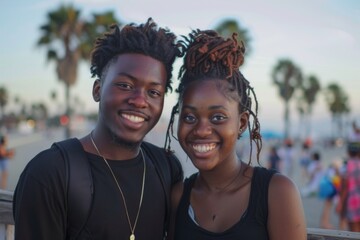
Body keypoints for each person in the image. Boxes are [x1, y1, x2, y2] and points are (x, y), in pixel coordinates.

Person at [13, 18, 183, 239]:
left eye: (154, 92)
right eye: (125, 85)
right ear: (97, 90)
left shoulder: (167, 168)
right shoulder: (50, 174)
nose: (140, 101)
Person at [165, 29, 306, 239]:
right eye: (190, 117)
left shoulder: (276, 192)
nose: (202, 130)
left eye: (218, 117)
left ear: (241, 123)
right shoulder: (179, 196)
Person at [337, 142, 360, 232]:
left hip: (352, 202)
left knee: (353, 232)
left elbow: (344, 187)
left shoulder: (347, 166)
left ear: (349, 152)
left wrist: (340, 204)